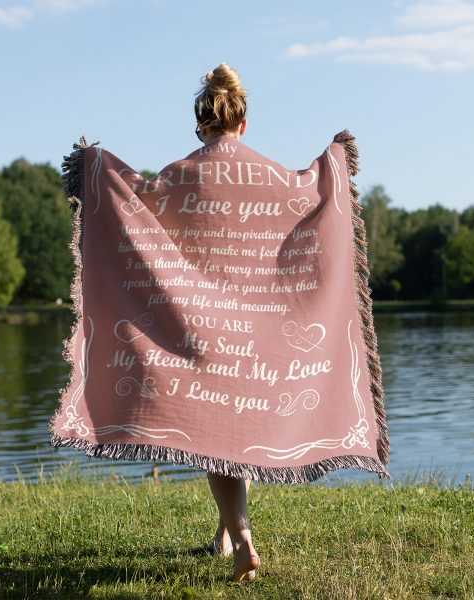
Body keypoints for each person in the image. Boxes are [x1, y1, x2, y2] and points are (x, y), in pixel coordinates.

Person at [194, 62, 259, 583]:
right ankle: (222, 534)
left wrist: (97, 165)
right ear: (243, 124)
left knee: (213, 436)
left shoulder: (180, 174)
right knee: (236, 430)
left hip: (199, 322)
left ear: (200, 125)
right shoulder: (268, 175)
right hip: (256, 320)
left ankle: (242, 541)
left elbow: (137, 210)